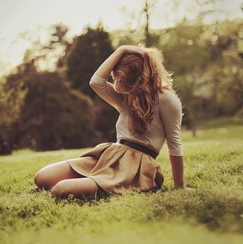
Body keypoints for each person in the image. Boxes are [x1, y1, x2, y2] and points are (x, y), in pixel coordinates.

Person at [33, 45, 186, 198]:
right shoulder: (125, 96)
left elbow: (174, 143)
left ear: (138, 77)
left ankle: (88, 184)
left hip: (135, 166)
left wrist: (180, 186)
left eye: (121, 79)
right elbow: (96, 82)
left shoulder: (166, 99)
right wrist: (121, 50)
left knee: (60, 190)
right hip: (110, 155)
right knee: (41, 178)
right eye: (115, 79)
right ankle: (90, 182)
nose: (117, 85)